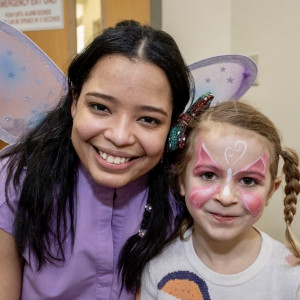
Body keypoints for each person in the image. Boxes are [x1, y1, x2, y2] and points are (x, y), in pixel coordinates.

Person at [0, 20, 193, 299]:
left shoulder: (185, 189)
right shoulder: (15, 180)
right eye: (100, 107)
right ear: (75, 101)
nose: (119, 136)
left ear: (173, 124)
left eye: (149, 119)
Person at [141, 100, 300, 299]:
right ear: (181, 181)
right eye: (208, 175)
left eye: (248, 180)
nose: (226, 197)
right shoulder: (157, 265)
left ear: (271, 191)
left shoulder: (293, 277)